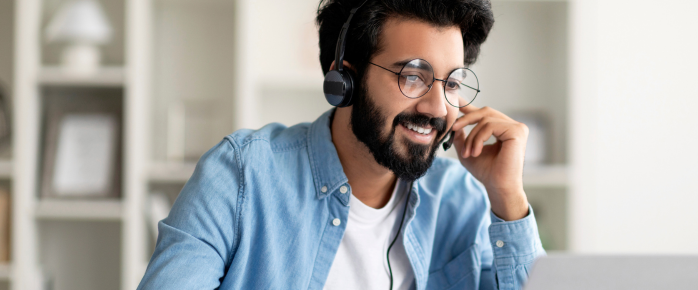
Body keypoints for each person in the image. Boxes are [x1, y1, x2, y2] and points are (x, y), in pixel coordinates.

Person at [137, 0, 544, 289]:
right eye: (413, 77)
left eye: (451, 83)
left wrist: (507, 195)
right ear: (344, 80)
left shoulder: (463, 199)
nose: (438, 107)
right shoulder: (242, 175)